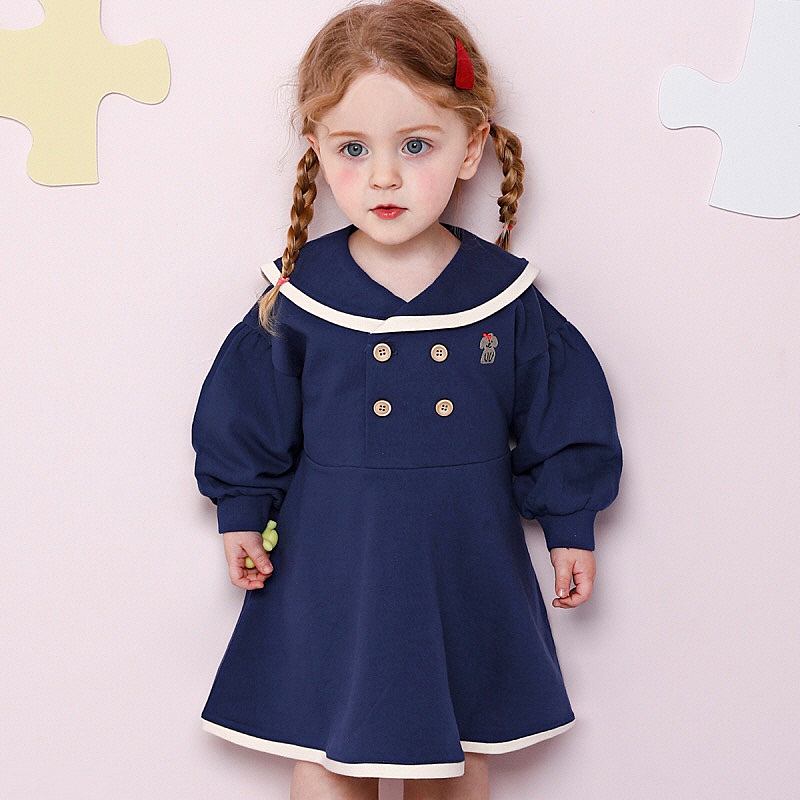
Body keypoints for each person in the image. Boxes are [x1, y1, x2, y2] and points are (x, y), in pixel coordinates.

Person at [190, 1, 623, 797]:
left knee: (460, 746)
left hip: (467, 562)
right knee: (326, 748)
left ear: (471, 147)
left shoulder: (505, 299)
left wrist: (570, 525)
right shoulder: (300, 297)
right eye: (353, 148)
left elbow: (562, 415)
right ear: (318, 149)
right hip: (333, 565)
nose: (383, 177)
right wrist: (242, 511)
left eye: (415, 145)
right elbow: (245, 416)